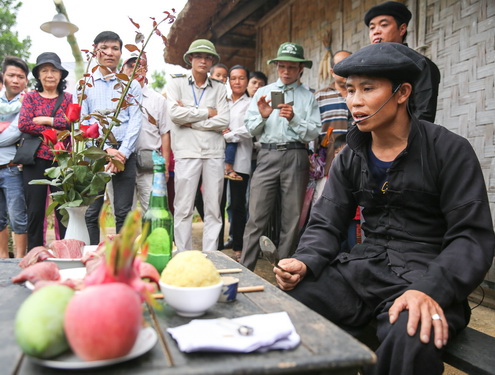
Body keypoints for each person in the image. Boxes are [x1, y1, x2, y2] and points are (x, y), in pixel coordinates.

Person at [274, 42, 495, 375]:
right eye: (350, 90)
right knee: (293, 305)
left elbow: (471, 236)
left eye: (367, 89)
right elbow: (326, 221)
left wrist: (429, 289)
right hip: (364, 271)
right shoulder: (349, 156)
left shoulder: (448, 150)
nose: (355, 101)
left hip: (427, 275)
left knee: (411, 331)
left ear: (402, 92)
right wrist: (304, 260)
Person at [240, 42, 321, 271]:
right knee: (256, 216)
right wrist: (264, 116)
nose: (286, 71)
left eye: (292, 67)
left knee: (291, 218)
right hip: (267, 155)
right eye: (282, 66)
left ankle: (283, 271)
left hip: (296, 155)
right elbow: (251, 129)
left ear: (301, 69)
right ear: (276, 66)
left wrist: (294, 118)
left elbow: (315, 131)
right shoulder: (263, 93)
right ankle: (246, 269)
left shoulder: (308, 97)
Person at [166, 39, 229, 252]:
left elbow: (225, 120)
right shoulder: (176, 82)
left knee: (213, 210)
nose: (203, 60)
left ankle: (212, 256)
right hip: (186, 152)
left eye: (208, 57)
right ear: (190, 58)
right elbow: (174, 114)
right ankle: (183, 255)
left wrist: (190, 120)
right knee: (183, 208)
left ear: (212, 61)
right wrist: (206, 112)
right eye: (199, 56)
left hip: (213, 153)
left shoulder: (220, 87)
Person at [82, 31, 142, 245]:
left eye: (115, 48)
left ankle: (121, 259)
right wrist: (106, 151)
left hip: (125, 154)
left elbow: (136, 121)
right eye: (104, 48)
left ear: (120, 52)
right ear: (95, 50)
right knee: (91, 211)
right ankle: (90, 256)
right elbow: (83, 122)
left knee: (123, 212)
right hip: (95, 153)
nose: (109, 53)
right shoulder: (85, 84)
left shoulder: (132, 85)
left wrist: (122, 154)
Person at [18, 52, 73, 250]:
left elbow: (70, 124)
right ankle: (35, 252)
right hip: (35, 161)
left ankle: (65, 251)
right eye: (45, 71)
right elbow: (24, 123)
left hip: (61, 160)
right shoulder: (31, 97)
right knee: (35, 211)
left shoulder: (68, 98)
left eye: (54, 71)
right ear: (39, 76)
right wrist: (54, 130)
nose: (49, 75)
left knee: (63, 210)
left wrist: (45, 120)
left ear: (61, 75)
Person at [365, 0, 440, 122]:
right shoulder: (365, 67)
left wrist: (404, 138)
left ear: (402, 29)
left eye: (384, 25)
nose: (376, 31)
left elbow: (424, 114)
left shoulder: (420, 65)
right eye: (372, 28)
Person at [121, 53, 171, 211]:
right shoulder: (115, 98)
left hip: (150, 162)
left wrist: (165, 166)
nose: (136, 69)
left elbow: (165, 133)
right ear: (122, 69)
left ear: (147, 70)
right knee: (123, 212)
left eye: (141, 66)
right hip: (121, 161)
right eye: (131, 66)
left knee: (153, 210)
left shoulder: (158, 100)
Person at [218, 65, 252, 260]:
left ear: (246, 80)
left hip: (241, 159)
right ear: (229, 81)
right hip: (219, 159)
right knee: (218, 203)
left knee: (238, 204)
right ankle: (217, 244)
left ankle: (238, 245)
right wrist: (226, 133)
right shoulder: (222, 102)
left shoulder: (251, 103)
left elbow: (250, 129)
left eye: (241, 78)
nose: (237, 82)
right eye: (233, 78)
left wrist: (230, 135)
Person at [313, 50, 352, 201]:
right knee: (327, 207)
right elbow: (312, 133)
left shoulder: (362, 94)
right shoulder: (320, 97)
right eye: (340, 65)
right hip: (328, 164)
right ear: (332, 71)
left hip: (359, 162)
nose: (346, 69)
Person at [0, 56, 29, 257]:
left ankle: (19, 260)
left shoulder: (28, 101)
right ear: (4, 77)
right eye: (11, 75)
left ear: (26, 80)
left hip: (12, 168)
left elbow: (16, 131)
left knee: (17, 216)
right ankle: (2, 259)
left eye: (20, 76)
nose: (16, 80)